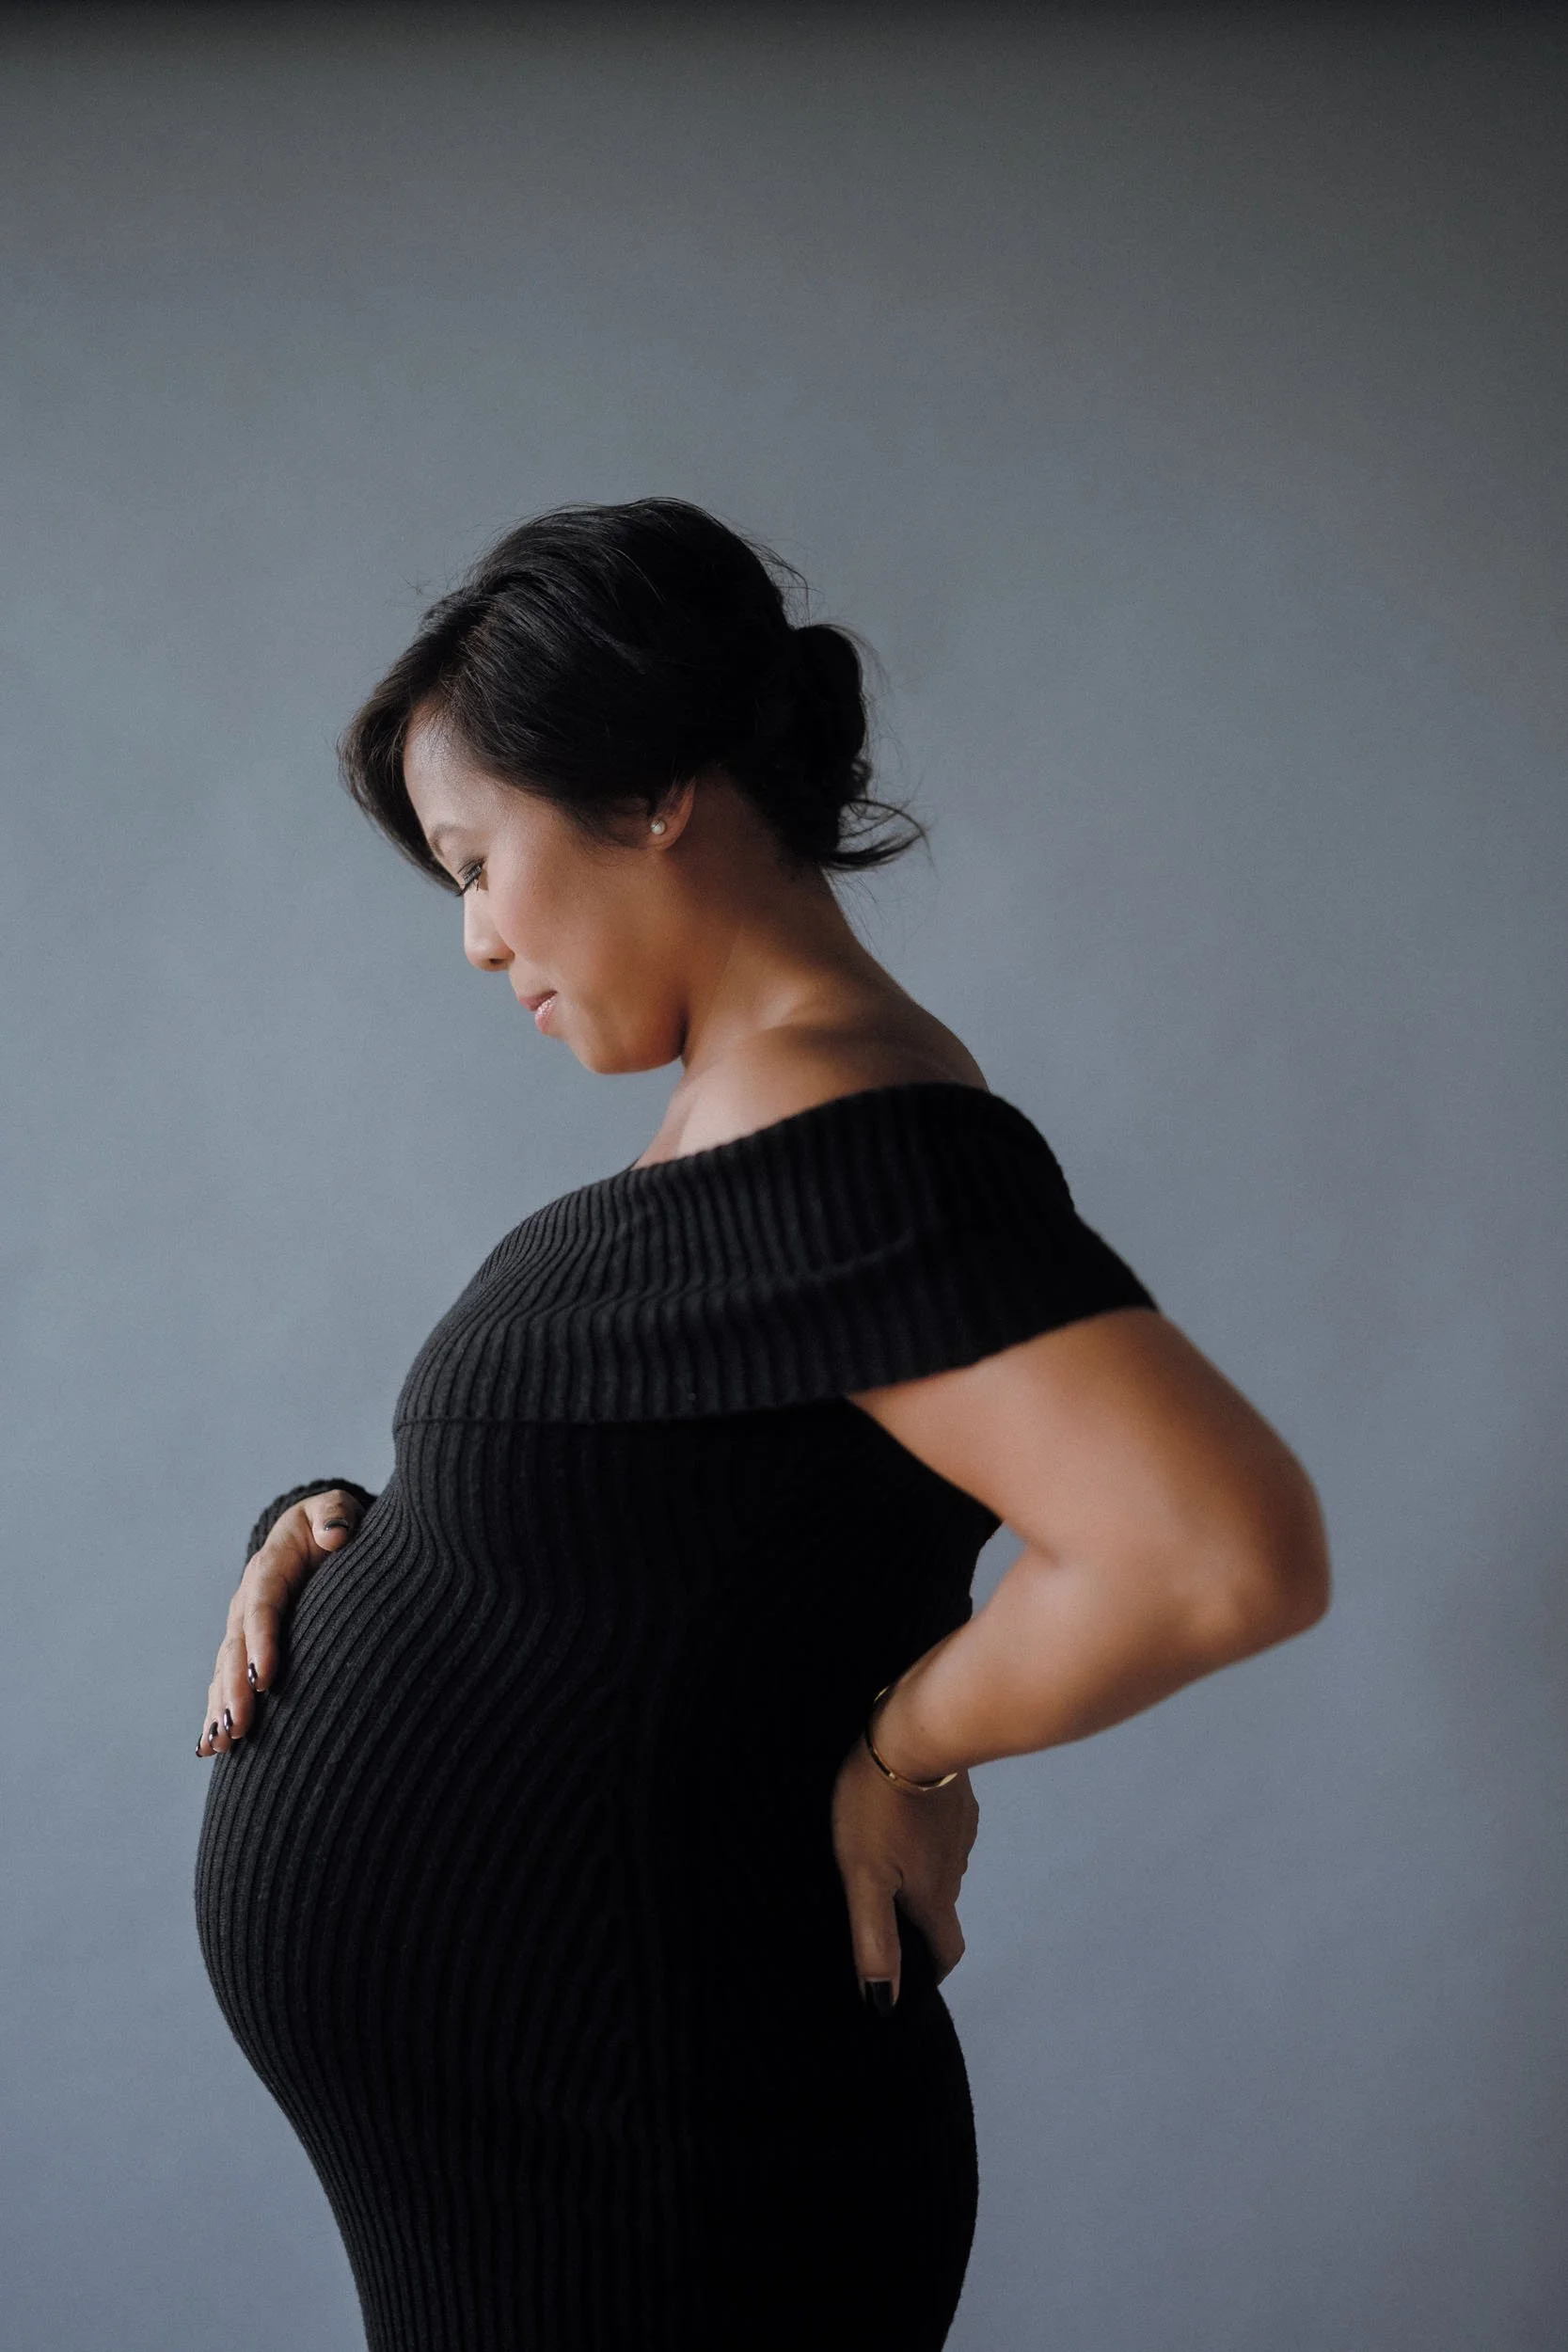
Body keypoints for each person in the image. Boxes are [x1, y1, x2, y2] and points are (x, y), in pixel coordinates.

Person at [193, 497, 1331, 2352]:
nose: (474, 940)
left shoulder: (864, 1144)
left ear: (653, 790)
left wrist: (907, 1744)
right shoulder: (761, 1128)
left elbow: (1219, 1549)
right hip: (565, 2174)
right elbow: (658, 1518)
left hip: (668, 2190)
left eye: (479, 859)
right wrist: (335, 1525)